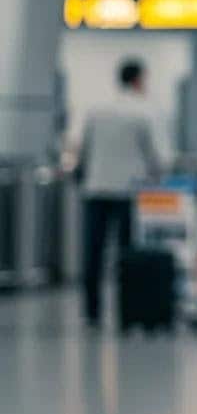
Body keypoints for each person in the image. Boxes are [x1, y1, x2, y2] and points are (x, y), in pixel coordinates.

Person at [76, 58, 160, 328]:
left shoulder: (96, 111)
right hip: (129, 192)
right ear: (137, 80)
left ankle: (92, 312)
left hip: (96, 189)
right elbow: (156, 158)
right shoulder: (143, 113)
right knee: (127, 253)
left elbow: (83, 151)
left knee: (93, 252)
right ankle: (127, 309)